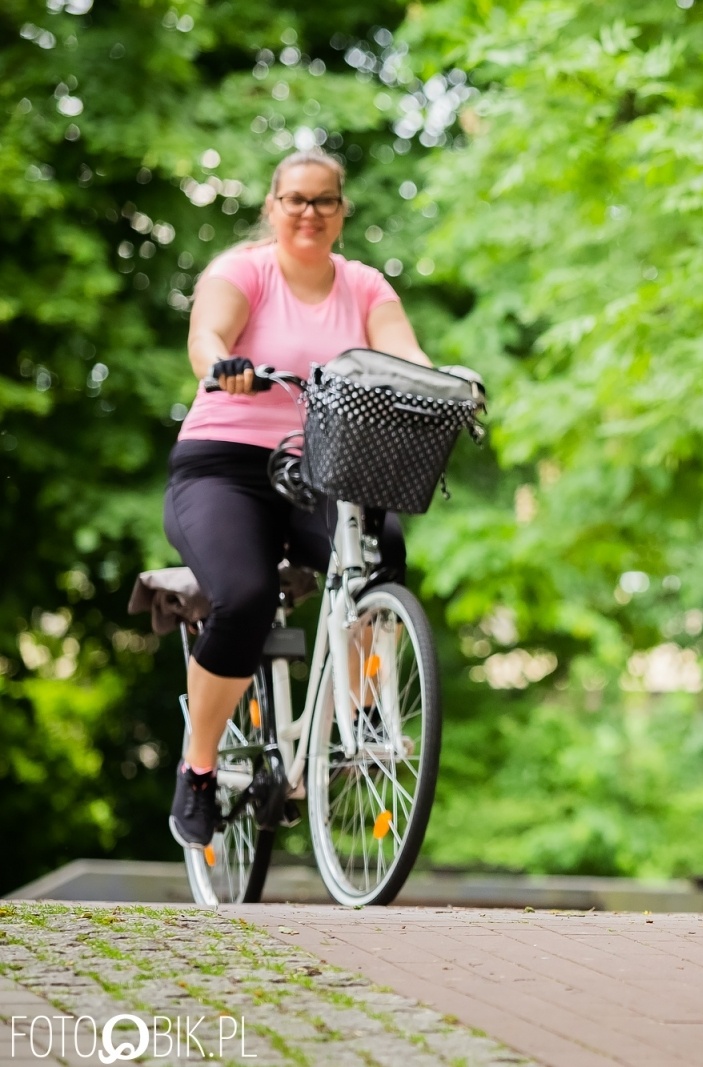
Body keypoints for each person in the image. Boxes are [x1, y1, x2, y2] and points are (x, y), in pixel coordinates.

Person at [165, 148, 431, 847]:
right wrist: (223, 364)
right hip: (224, 466)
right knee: (246, 597)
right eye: (296, 200)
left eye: (324, 201)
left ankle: (364, 712)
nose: (309, 213)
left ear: (343, 212)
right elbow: (207, 333)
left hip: (325, 468)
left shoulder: (365, 286)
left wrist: (440, 385)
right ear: (273, 207)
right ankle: (197, 769)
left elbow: (406, 354)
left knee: (383, 553)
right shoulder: (244, 270)